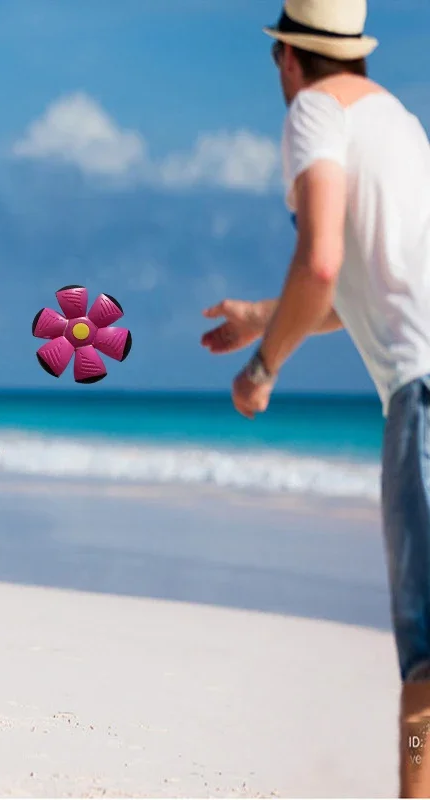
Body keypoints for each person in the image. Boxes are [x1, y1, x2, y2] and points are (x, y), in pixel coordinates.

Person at [200, 1, 430, 795]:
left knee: (428, 661)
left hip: (423, 398)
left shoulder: (313, 110)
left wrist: (263, 367)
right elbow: (366, 285)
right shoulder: (402, 125)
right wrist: (268, 315)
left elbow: (323, 258)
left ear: (289, 58)